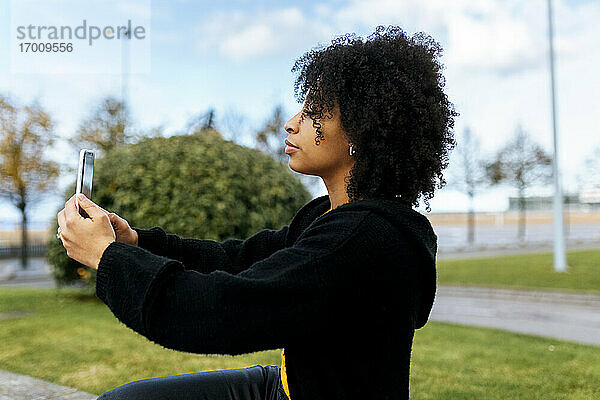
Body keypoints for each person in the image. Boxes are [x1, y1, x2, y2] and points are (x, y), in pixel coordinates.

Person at [57, 24, 458, 400]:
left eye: (314, 111)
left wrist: (105, 256)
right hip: (287, 385)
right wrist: (137, 242)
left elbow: (217, 312)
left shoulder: (363, 240)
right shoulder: (330, 215)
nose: (291, 123)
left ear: (364, 130)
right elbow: (239, 259)